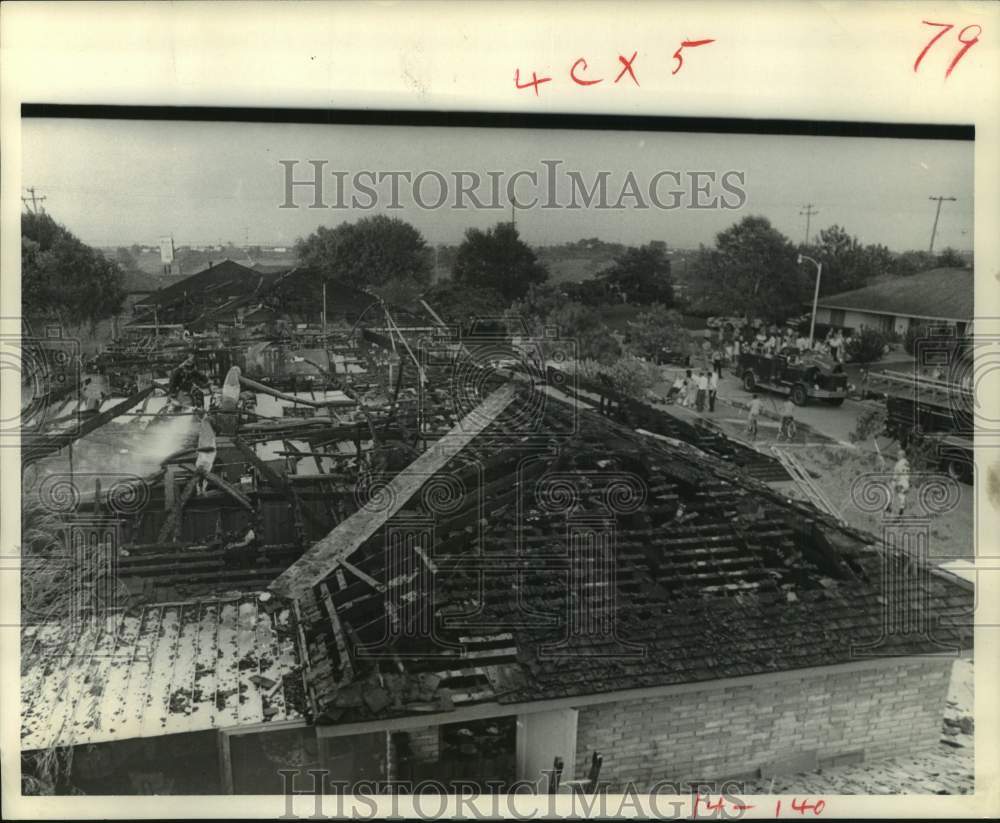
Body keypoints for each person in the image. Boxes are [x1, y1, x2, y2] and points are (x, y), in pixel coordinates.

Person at [890, 448, 911, 516]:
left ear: (901, 456)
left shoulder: (898, 464)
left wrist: (893, 480)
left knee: (891, 492)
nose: (897, 456)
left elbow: (896, 474)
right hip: (906, 482)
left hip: (900, 482)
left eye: (898, 455)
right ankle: (901, 509)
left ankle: (889, 507)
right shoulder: (907, 463)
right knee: (902, 495)